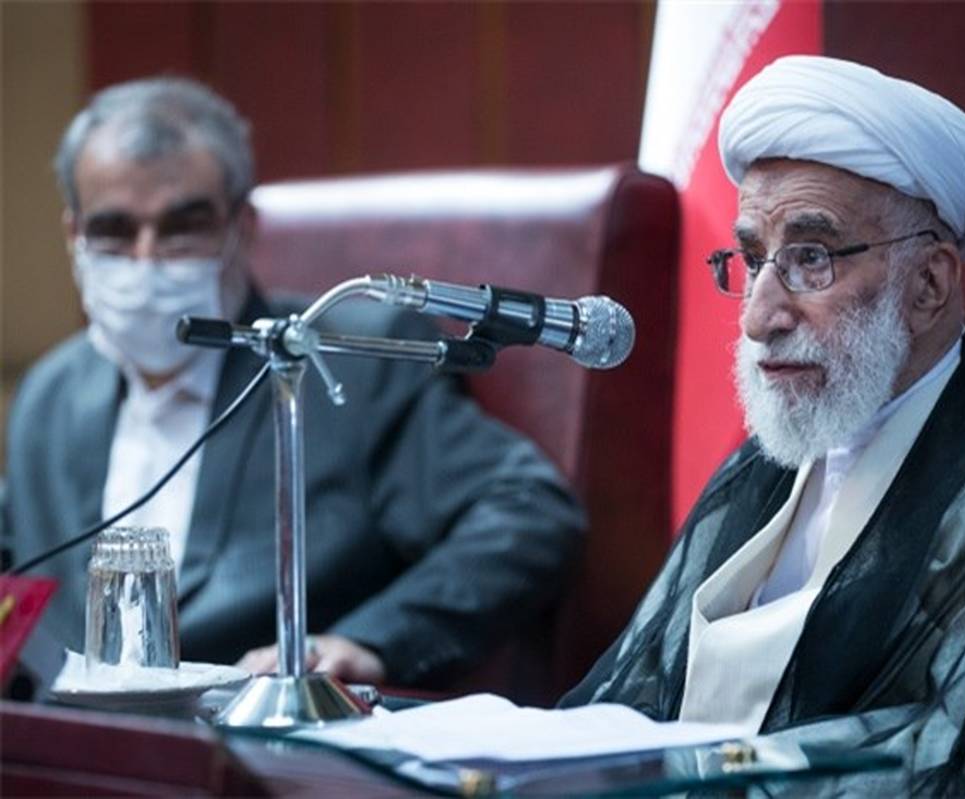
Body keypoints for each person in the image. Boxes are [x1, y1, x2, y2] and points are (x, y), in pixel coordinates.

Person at [561, 56, 965, 793]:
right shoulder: (764, 465)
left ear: (929, 283)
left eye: (812, 258)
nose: (761, 317)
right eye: (754, 259)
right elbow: (620, 699)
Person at [3, 77, 584, 687]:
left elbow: (528, 511)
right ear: (74, 236)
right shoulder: (49, 393)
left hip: (260, 732)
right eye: (114, 231)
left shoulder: (353, 359)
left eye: (182, 227)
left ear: (243, 226)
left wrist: (370, 641)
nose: (147, 260)